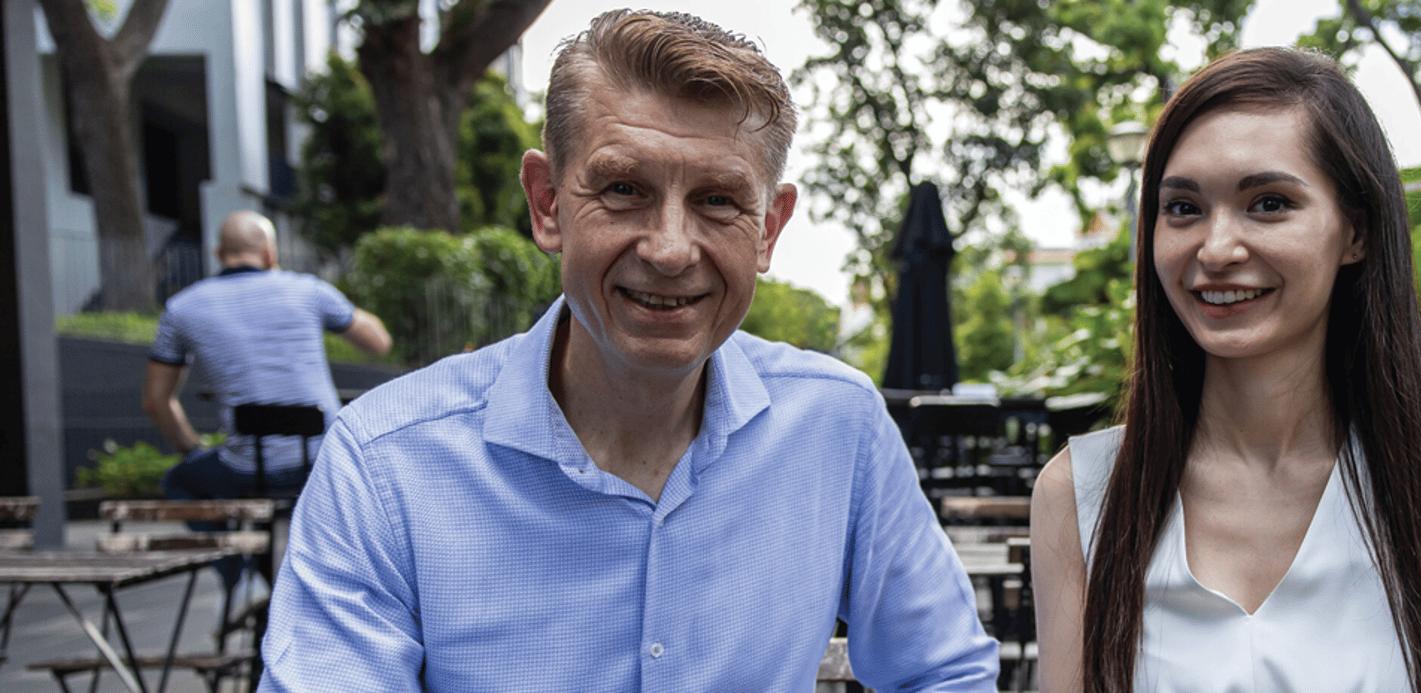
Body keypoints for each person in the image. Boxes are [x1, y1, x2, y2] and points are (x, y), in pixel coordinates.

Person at [258, 10, 998, 691]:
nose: (671, 249)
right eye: (622, 188)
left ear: (768, 227)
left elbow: (945, 673)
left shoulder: (840, 427)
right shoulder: (386, 462)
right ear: (547, 202)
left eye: (717, 200)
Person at [1029, 48, 1421, 693]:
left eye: (1268, 203)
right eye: (1182, 208)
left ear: (1356, 233)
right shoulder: (1081, 495)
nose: (1216, 248)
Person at [144, 209, 391, 588]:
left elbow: (156, 402)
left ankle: (242, 574)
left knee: (181, 480)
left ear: (218, 252)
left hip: (247, 471)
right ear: (270, 254)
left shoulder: (181, 308)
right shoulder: (308, 290)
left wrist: (191, 448)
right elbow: (379, 343)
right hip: (324, 462)